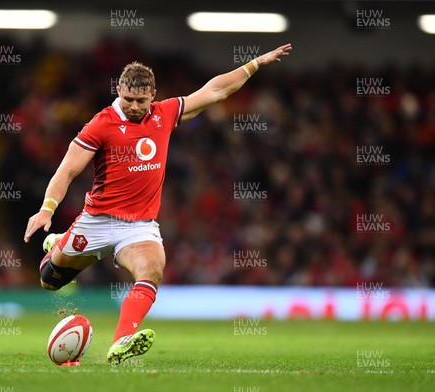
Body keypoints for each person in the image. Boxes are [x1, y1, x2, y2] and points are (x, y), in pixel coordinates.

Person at [24, 43, 292, 365]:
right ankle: (60, 243)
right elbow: (67, 169)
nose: (134, 106)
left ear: (153, 94)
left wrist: (254, 65)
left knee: (152, 269)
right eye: (128, 99)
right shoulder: (101, 124)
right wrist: (47, 209)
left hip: (138, 226)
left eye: (141, 100)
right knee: (51, 280)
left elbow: (216, 91)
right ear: (119, 91)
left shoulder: (164, 114)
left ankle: (121, 340)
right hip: (97, 220)